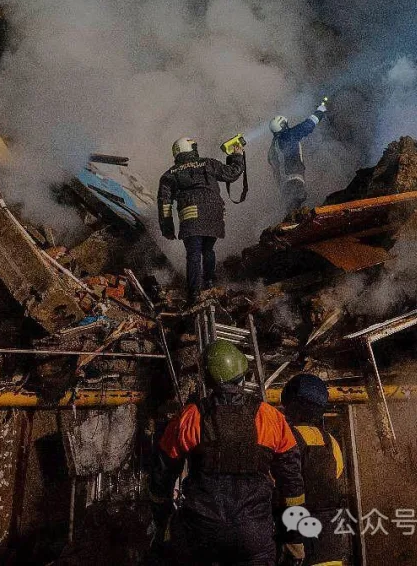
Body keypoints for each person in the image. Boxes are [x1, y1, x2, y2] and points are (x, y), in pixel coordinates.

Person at [150, 341, 305, 566]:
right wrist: (294, 540)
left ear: (208, 380)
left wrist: (162, 524)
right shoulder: (269, 417)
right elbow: (292, 484)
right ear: (243, 376)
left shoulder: (190, 417)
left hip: (201, 535)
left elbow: (161, 479)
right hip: (254, 537)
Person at [158, 137, 245, 303]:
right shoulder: (208, 163)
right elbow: (232, 173)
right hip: (214, 216)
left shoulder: (170, 175)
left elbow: (165, 203)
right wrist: (237, 156)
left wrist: (167, 228)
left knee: (194, 254)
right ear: (191, 149)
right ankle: (209, 282)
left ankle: (194, 294)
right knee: (208, 249)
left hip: (191, 218)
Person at [279, 373, 351, 566]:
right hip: (331, 542)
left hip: (298, 543)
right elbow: (337, 474)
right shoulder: (331, 442)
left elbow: (275, 485)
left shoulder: (285, 441)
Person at [268, 99, 328, 214]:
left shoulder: (273, 147)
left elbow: (272, 163)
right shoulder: (288, 136)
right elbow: (308, 125)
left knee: (291, 211)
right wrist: (320, 111)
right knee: (299, 210)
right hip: (294, 182)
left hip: (284, 187)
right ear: (283, 126)